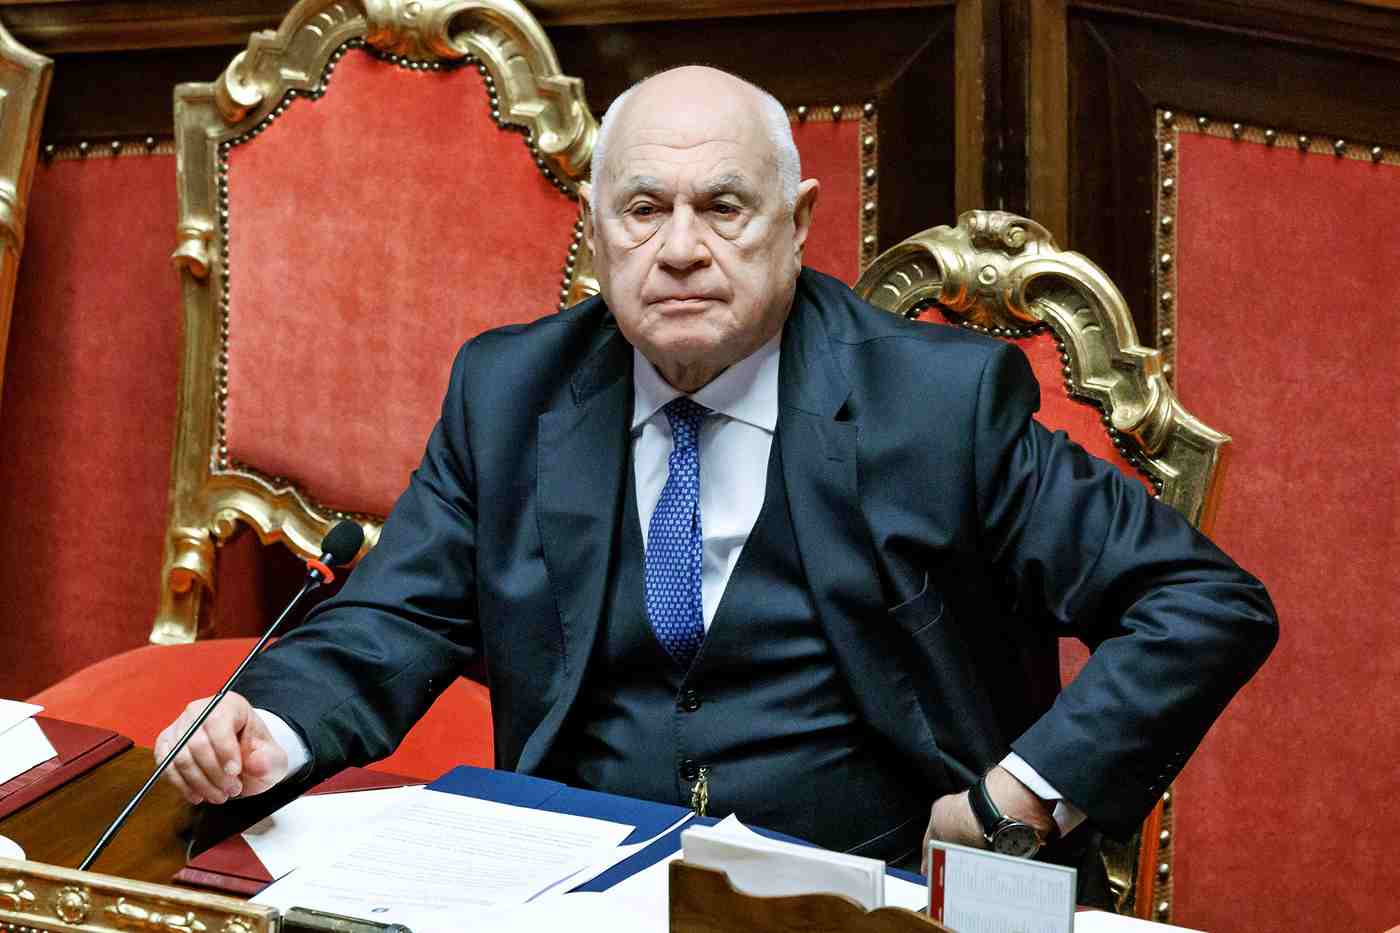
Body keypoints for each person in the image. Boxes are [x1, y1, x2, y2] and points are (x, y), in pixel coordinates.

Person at [156, 66, 1276, 877]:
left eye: (723, 208)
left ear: (798, 224)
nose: (682, 249)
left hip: (872, 894)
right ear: (596, 233)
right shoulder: (511, 392)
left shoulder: (936, 406)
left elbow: (1200, 601)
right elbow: (392, 619)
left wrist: (1013, 800)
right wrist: (266, 726)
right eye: (644, 210)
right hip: (574, 888)